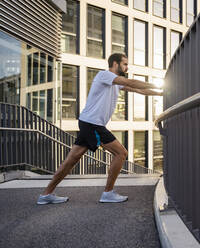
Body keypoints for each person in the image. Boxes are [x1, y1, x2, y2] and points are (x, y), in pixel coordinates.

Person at [37, 53, 162, 205]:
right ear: (115, 64)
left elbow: (138, 90)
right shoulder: (105, 75)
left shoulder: (115, 82)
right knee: (121, 153)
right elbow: (131, 82)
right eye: (125, 64)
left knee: (71, 160)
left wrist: (161, 92)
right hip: (92, 124)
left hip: (88, 122)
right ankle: (108, 193)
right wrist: (156, 84)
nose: (127, 67)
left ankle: (46, 194)